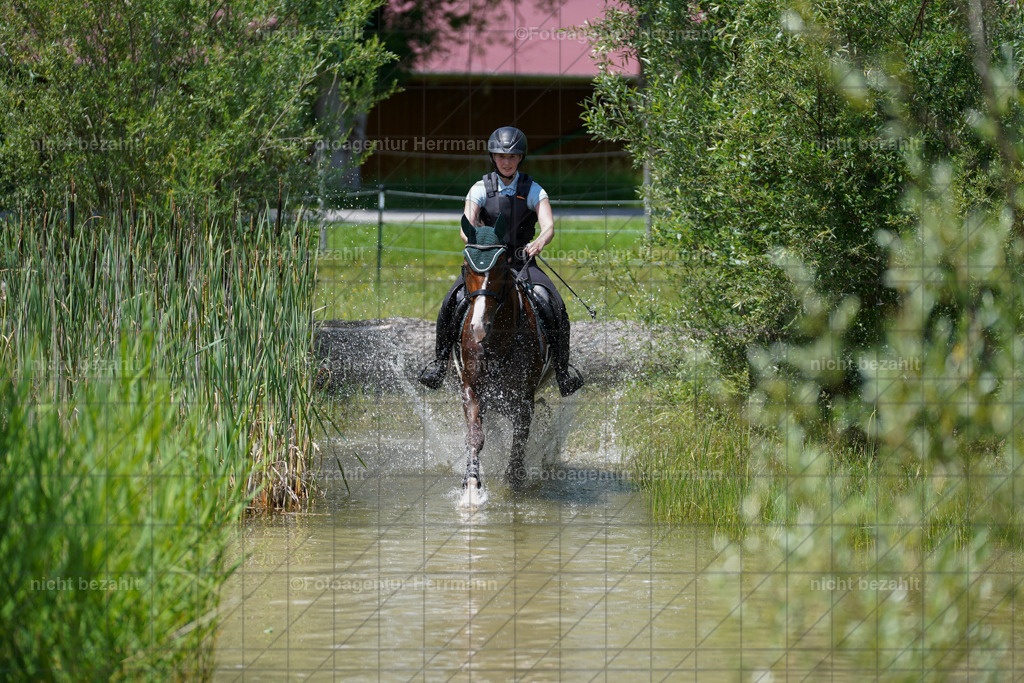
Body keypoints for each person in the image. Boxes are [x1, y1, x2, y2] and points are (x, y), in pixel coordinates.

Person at [417, 126, 584, 396]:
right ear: (493, 157)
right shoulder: (479, 189)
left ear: (520, 158)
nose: (507, 162)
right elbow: (466, 226)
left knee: (552, 301)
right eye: (501, 156)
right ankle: (439, 363)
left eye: (512, 157)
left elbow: (549, 226)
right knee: (452, 300)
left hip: (521, 262)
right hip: (486, 264)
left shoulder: (534, 190)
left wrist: (540, 241)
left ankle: (563, 371)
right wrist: (477, 241)